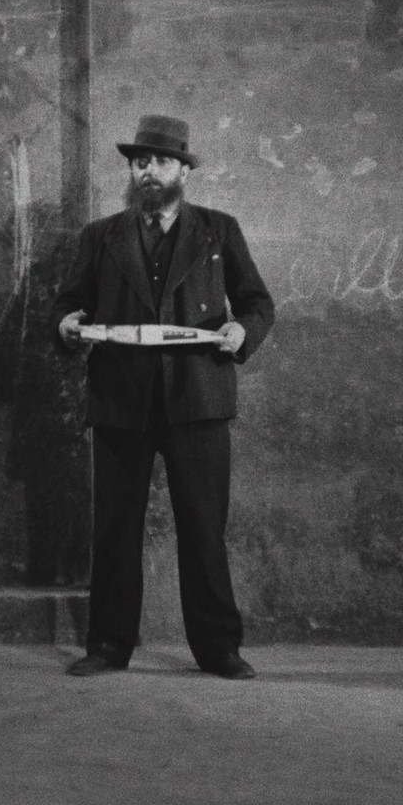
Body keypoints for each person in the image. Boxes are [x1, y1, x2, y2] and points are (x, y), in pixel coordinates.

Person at [54, 114, 275, 679]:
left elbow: (256, 303)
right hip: (121, 401)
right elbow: (69, 303)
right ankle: (108, 645)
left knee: (203, 528)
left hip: (198, 399)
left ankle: (218, 648)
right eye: (138, 163)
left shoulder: (219, 231)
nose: (146, 171)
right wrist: (67, 325)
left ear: (182, 170)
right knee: (115, 529)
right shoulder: (101, 236)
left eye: (157, 161)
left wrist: (241, 331)